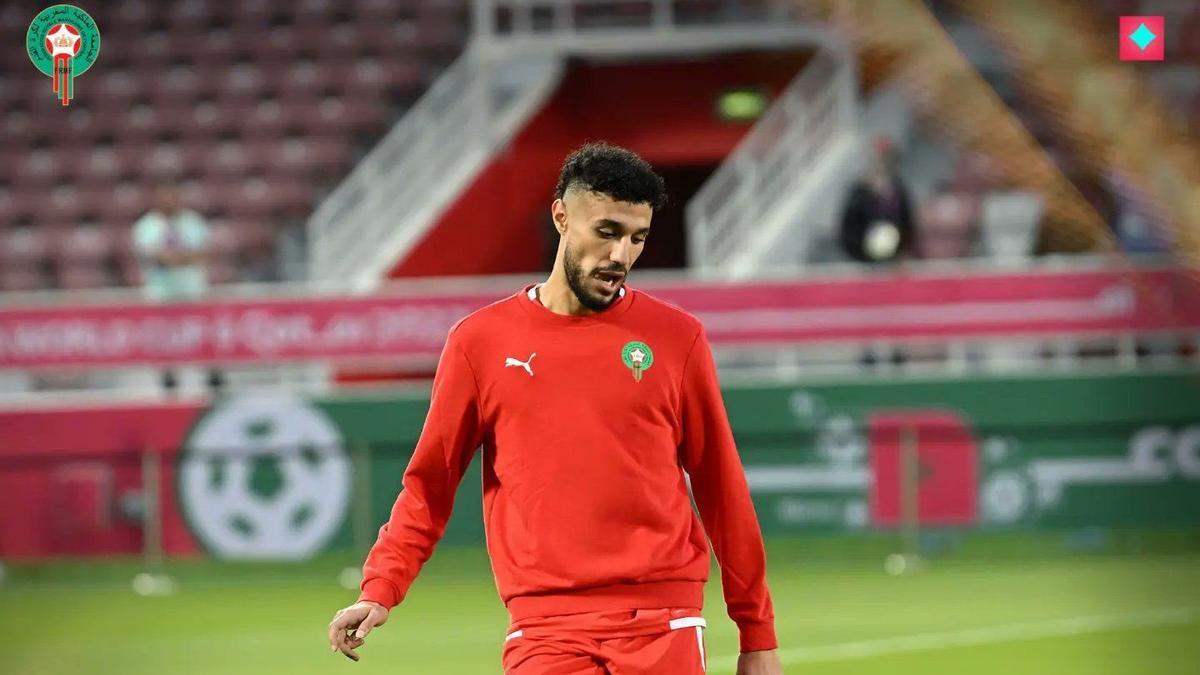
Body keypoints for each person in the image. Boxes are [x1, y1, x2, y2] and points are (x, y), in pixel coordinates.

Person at [327, 143, 782, 675]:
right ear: (562, 216)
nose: (621, 256)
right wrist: (381, 587)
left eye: (637, 238)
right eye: (607, 232)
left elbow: (720, 487)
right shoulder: (480, 343)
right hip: (543, 630)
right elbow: (429, 486)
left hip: (665, 619)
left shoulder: (678, 339)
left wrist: (757, 634)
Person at [132, 182, 222, 393]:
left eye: (173, 196)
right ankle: (168, 379)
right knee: (164, 338)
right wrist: (179, 258)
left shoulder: (193, 222)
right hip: (161, 293)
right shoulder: (146, 226)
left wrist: (173, 258)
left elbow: (202, 252)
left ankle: (212, 375)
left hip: (193, 290)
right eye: (165, 197)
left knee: (203, 335)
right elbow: (151, 256)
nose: (169, 201)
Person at [838, 136, 914, 263]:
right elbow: (849, 228)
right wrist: (862, 251)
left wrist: (900, 249)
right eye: (879, 159)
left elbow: (906, 222)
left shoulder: (899, 189)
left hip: (892, 257)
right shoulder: (859, 192)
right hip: (862, 257)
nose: (883, 164)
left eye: (887, 159)